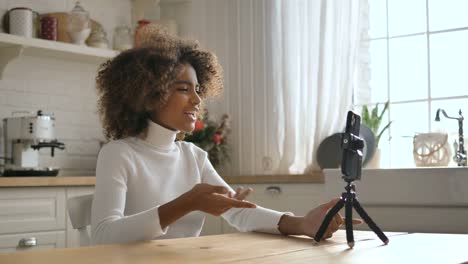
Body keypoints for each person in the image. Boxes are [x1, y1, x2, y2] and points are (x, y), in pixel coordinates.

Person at [91, 28, 359, 245]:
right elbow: (104, 235)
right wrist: (187, 203)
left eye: (198, 89)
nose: (197, 99)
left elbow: (238, 211)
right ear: (148, 94)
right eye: (184, 89)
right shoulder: (119, 154)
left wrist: (302, 224)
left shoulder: (193, 157)